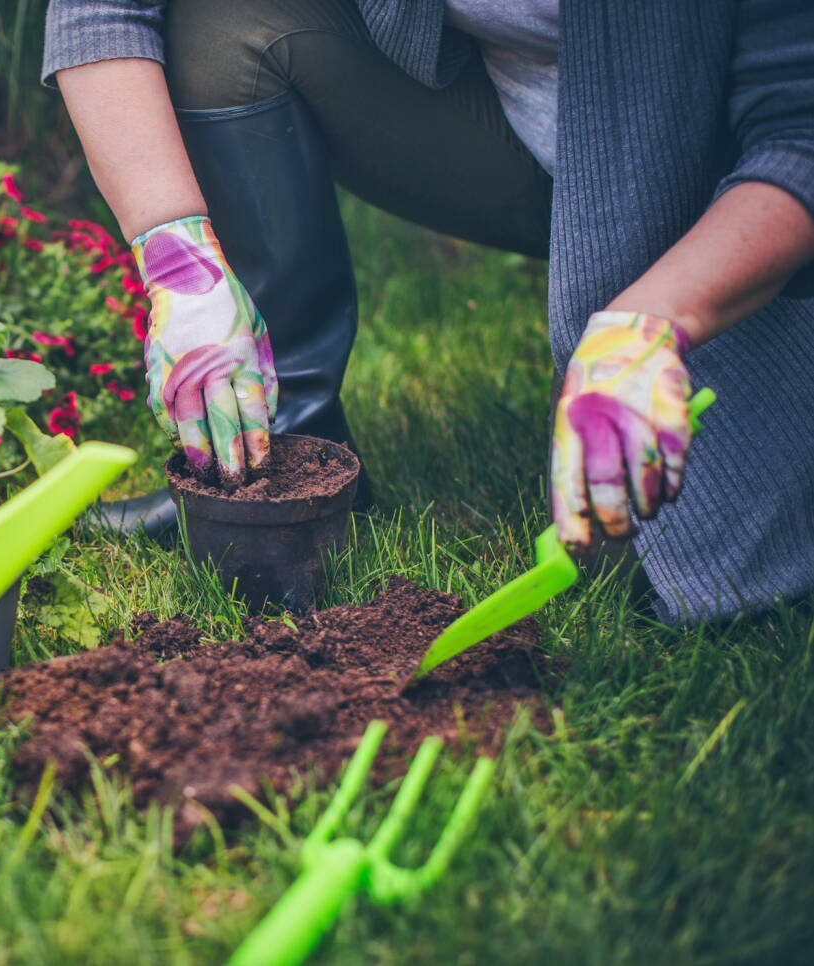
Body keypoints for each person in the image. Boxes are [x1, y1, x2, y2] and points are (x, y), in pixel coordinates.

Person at [43, 0, 814, 623]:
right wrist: (177, 257)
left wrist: (653, 321)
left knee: (666, 567)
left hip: (711, 188)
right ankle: (284, 463)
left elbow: (798, 140)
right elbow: (100, 6)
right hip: (506, 131)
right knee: (225, 16)